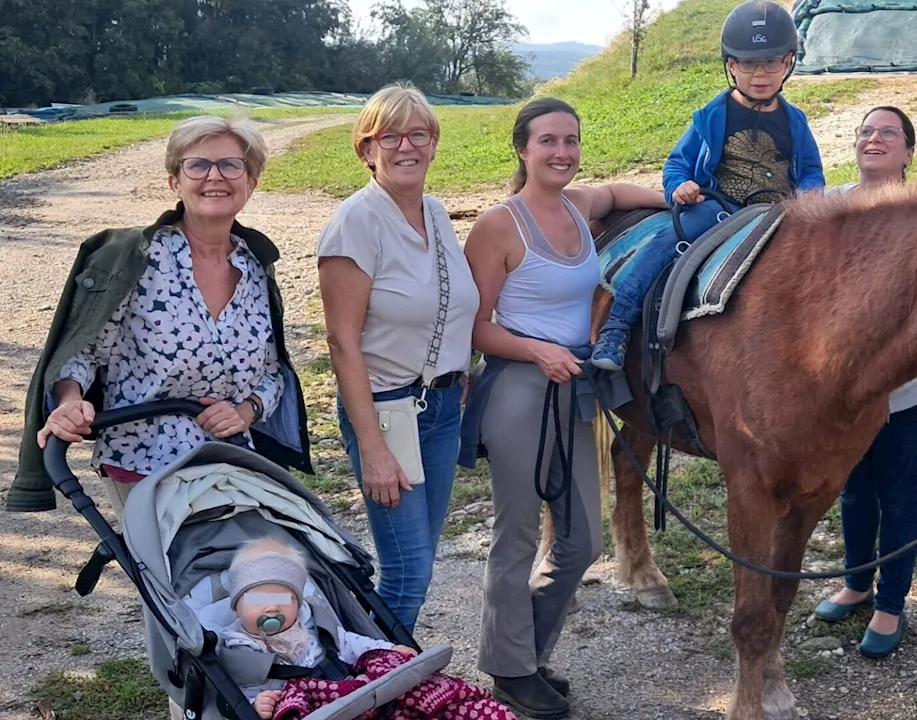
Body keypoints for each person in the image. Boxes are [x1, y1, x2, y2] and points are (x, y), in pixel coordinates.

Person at [461, 97, 666, 718]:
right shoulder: (500, 224)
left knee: (579, 540)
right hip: (520, 387)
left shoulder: (580, 206)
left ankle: (527, 655)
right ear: (523, 149)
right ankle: (511, 670)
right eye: (548, 141)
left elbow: (620, 192)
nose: (562, 153)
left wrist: (679, 196)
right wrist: (537, 351)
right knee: (518, 535)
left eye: (571, 141)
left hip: (573, 388)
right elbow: (475, 327)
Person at [15, 115, 312, 518]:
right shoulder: (133, 262)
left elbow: (274, 372)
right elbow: (82, 355)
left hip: (234, 462)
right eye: (197, 165)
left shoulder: (256, 266)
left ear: (251, 182)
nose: (215, 176)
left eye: (231, 165)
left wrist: (246, 411)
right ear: (175, 181)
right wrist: (69, 401)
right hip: (144, 462)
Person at [317, 82, 481, 633]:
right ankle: (373, 686)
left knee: (421, 562)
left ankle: (380, 675)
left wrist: (459, 364)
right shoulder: (356, 223)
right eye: (390, 135)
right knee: (406, 571)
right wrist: (373, 449)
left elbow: (446, 300)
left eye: (419, 133)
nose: (405, 145)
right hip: (387, 411)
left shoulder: (433, 212)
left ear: (434, 143)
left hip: (438, 408)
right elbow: (342, 341)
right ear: (367, 149)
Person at [589, 0, 824, 371]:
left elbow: (810, 169)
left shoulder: (795, 121)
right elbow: (677, 164)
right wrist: (679, 186)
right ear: (731, 66)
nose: (759, 73)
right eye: (747, 63)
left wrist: (811, 193)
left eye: (771, 62)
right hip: (719, 207)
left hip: (779, 213)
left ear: (789, 63)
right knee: (667, 244)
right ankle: (616, 328)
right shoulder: (712, 116)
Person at [810, 107, 917, 658]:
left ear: (910, 152)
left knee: (897, 489)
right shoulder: (829, 208)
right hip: (840, 390)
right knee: (854, 487)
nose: (874, 139)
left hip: (906, 391)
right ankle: (858, 582)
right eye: (865, 131)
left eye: (889, 132)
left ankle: (891, 606)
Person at [218, 538, 516, 720]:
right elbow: (242, 689)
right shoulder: (237, 648)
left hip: (353, 693)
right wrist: (257, 705)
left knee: (396, 673)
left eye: (283, 599)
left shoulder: (313, 626)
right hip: (306, 705)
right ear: (236, 607)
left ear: (297, 602)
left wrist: (389, 650)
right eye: (257, 600)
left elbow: (351, 644)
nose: (271, 608)